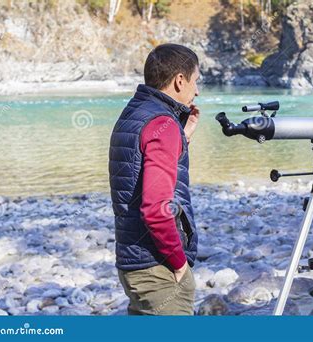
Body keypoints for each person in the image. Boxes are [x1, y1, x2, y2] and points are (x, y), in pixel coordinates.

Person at [109, 43, 200, 315]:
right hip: (157, 267)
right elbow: (156, 209)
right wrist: (179, 262)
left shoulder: (134, 113)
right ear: (179, 80)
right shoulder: (163, 125)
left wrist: (182, 138)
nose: (196, 90)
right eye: (195, 81)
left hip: (133, 261)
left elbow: (139, 163)